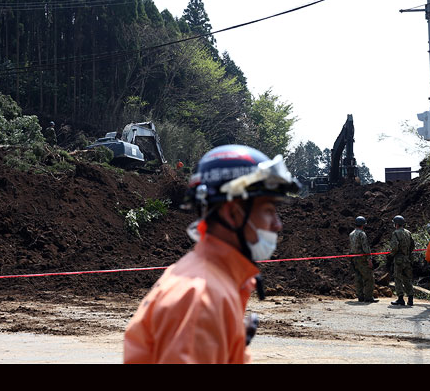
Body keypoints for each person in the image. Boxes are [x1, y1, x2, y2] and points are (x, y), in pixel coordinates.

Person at [123, 144, 300, 363]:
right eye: (268, 210)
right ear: (233, 213)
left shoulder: (206, 281)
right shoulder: (202, 300)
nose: (277, 224)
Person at [349, 216, 377, 303]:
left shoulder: (351, 234)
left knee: (358, 277)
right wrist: (369, 259)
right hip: (362, 258)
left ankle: (360, 296)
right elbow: (366, 247)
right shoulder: (362, 234)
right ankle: (368, 297)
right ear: (362, 225)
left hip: (354, 258)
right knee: (369, 277)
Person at [389, 215, 415, 306]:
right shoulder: (408, 233)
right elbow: (412, 245)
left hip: (399, 259)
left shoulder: (395, 233)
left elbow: (394, 247)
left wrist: (391, 255)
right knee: (407, 278)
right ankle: (410, 299)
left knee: (398, 278)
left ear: (396, 224)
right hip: (407, 259)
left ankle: (400, 298)